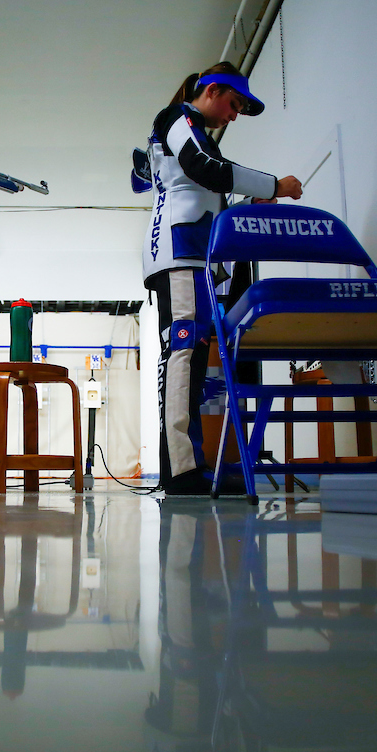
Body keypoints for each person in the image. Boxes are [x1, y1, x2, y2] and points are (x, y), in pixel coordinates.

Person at [143, 62, 302, 494]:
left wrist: (251, 198)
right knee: (182, 357)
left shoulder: (193, 129)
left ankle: (186, 466)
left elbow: (207, 186)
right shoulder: (178, 118)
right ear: (212, 91)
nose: (233, 116)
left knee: (191, 360)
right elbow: (201, 168)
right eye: (233, 105)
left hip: (194, 255)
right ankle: (181, 471)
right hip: (181, 253)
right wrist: (273, 186)